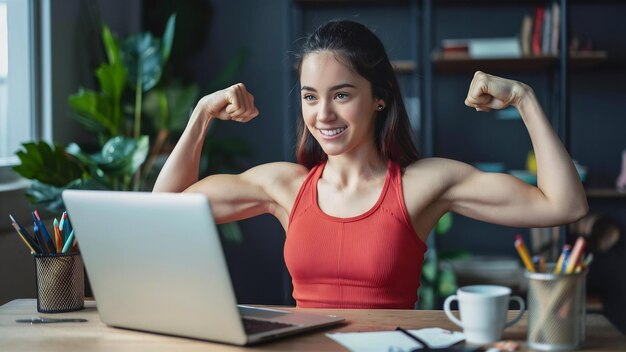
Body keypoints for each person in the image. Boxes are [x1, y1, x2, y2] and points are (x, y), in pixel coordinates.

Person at [153, 20, 588, 309]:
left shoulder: (422, 184)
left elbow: (563, 205)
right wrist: (202, 114)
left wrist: (524, 100)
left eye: (341, 94)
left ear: (379, 97)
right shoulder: (285, 187)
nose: (323, 114)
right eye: (310, 96)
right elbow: (163, 209)